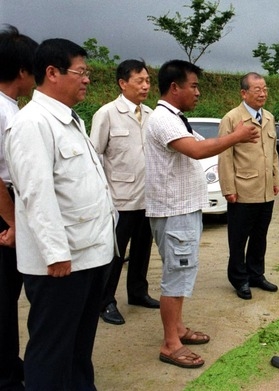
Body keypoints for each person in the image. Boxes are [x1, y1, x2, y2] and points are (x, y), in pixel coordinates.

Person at [4, 38, 116, 390]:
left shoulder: (70, 119)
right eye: (80, 72)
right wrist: (55, 254)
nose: (86, 79)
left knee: (79, 349)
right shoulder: (31, 124)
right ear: (52, 73)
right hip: (62, 264)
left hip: (89, 254)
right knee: (52, 350)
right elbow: (36, 195)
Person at [145, 60, 258, 368]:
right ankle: (171, 343)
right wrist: (236, 137)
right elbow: (197, 151)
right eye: (193, 86)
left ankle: (178, 328)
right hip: (174, 212)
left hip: (183, 209)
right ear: (174, 87)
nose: (197, 92)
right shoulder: (164, 119)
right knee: (175, 275)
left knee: (182, 271)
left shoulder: (176, 118)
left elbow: (201, 144)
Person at [90, 59, 159, 326]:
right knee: (114, 254)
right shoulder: (106, 113)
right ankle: (105, 301)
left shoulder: (151, 114)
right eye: (139, 81)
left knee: (142, 249)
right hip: (119, 198)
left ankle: (138, 292)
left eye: (148, 81)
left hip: (146, 197)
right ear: (122, 83)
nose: (145, 86)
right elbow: (94, 156)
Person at [218, 72, 279, 300]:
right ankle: (239, 278)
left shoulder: (270, 117)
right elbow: (225, 155)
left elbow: (272, 153)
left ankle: (256, 274)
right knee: (238, 238)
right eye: (257, 90)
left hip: (265, 189)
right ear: (244, 93)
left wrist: (275, 180)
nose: (262, 93)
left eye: (265, 89)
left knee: (260, 236)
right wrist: (228, 188)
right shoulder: (232, 119)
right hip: (243, 189)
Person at [0, 24, 37, 391]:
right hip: (6, 207)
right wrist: (12, 221)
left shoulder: (11, 107)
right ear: (23, 72)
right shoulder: (3, 111)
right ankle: (7, 376)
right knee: (4, 300)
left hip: (10, 204)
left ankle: (11, 363)